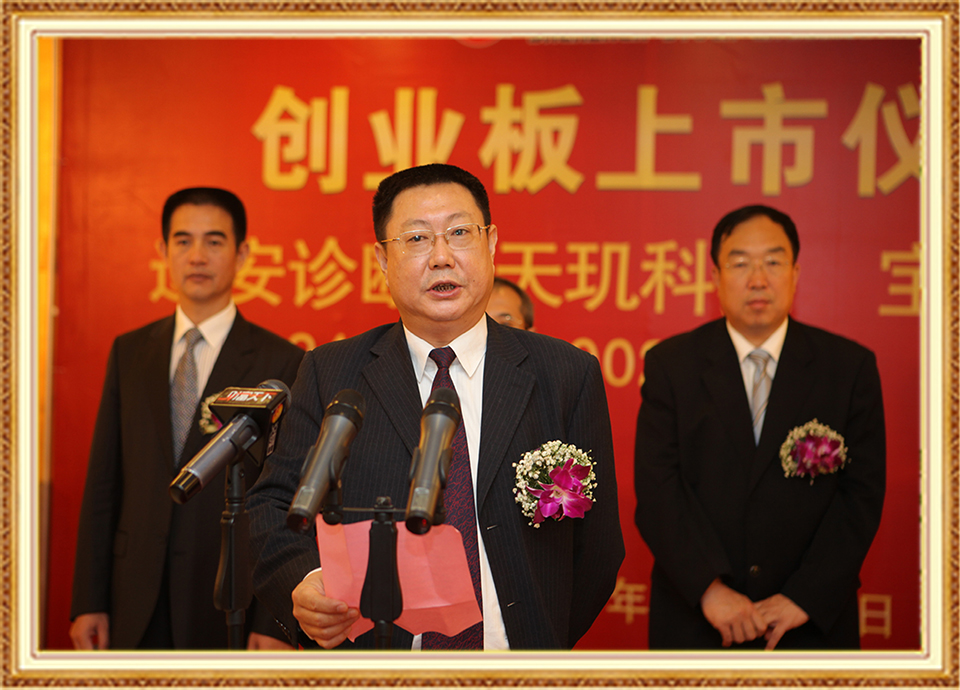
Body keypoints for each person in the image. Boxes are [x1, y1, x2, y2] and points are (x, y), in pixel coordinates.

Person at [247, 163, 624, 650]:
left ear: (491, 243)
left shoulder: (566, 374)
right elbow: (273, 506)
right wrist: (306, 579)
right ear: (382, 259)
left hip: (519, 670)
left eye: (460, 233)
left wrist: (537, 641)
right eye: (417, 239)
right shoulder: (331, 371)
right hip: (377, 666)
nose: (442, 257)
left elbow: (597, 549)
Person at [634, 205, 885, 650]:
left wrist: (804, 596)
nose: (757, 279)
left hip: (809, 623)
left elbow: (861, 495)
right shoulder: (672, 365)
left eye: (772, 262)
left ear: (795, 271)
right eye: (740, 263)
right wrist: (710, 590)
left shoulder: (848, 368)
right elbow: (658, 491)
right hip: (698, 619)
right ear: (715, 275)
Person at [69, 187, 304, 650]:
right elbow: (103, 484)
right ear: (163, 250)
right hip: (132, 593)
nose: (197, 256)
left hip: (229, 598)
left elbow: (287, 497)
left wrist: (272, 618)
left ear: (242, 254)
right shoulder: (130, 352)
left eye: (214, 241)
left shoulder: (282, 362)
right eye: (183, 241)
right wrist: (88, 600)